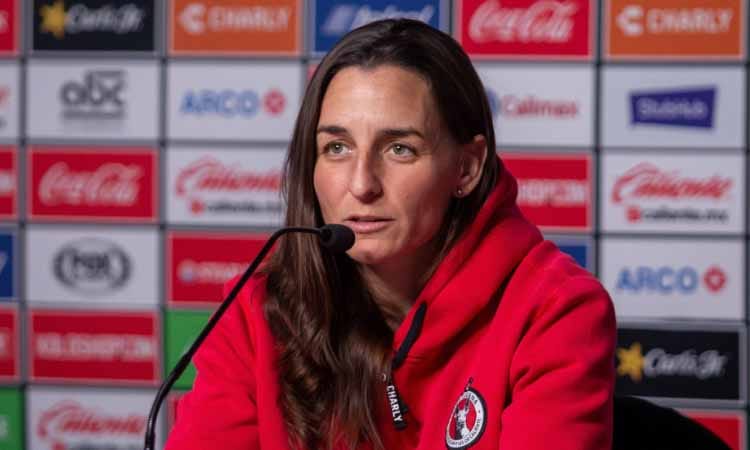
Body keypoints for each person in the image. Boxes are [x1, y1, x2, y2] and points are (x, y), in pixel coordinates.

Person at [166, 18, 615, 450]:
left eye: (399, 148)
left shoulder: (555, 310)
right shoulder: (255, 311)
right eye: (337, 148)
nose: (361, 184)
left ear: (467, 167)